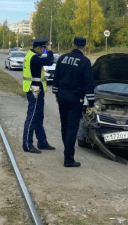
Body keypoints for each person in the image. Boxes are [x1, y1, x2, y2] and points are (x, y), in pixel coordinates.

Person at [52, 37, 95, 167]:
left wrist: (56, 94)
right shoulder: (85, 61)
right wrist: (91, 103)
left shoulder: (62, 58)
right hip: (75, 99)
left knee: (64, 126)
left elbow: (56, 77)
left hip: (62, 96)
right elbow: (89, 84)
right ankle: (68, 159)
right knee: (72, 128)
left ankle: (67, 151)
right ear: (84, 47)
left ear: (73, 44)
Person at [22, 38, 56, 153]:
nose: (44, 50)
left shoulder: (33, 55)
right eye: (43, 48)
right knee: (32, 117)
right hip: (34, 90)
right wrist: (50, 50)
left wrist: (46, 50)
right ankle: (27, 144)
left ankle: (42, 142)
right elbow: (49, 61)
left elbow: (44, 58)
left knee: (38, 116)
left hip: (36, 90)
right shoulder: (34, 58)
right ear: (38, 48)